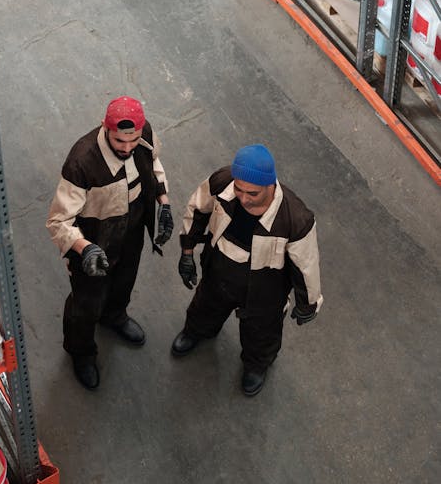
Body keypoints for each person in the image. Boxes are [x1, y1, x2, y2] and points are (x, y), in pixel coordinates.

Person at [171, 144, 322, 397]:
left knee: (261, 334)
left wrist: (308, 303)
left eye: (251, 193)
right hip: (218, 273)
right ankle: (197, 332)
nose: (242, 198)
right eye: (238, 190)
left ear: (270, 185)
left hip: (264, 292)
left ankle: (256, 365)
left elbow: (305, 265)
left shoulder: (296, 219)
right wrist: (187, 251)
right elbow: (197, 210)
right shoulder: (223, 182)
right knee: (204, 308)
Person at [46, 96, 173, 390]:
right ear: (105, 127)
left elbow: (154, 165)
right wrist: (84, 247)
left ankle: (115, 315)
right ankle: (81, 352)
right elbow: (58, 221)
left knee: (124, 281)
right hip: (94, 241)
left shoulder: (146, 135)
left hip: (131, 231)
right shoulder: (82, 162)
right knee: (86, 303)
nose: (127, 148)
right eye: (119, 141)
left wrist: (162, 201)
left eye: (134, 140)